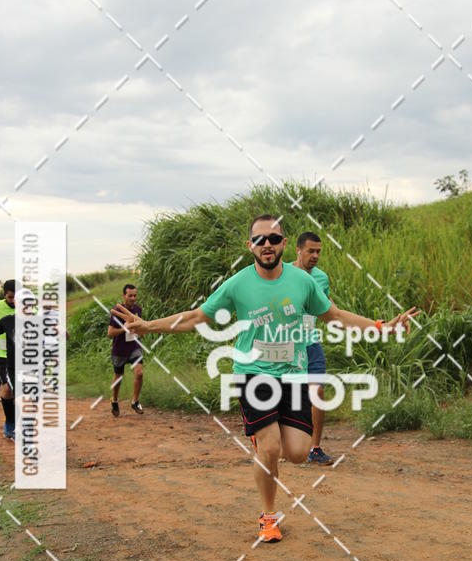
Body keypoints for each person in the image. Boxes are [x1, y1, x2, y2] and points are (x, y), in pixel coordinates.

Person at [112, 214, 418, 543]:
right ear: (250, 246)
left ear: (284, 243)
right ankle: (268, 516)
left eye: (273, 239)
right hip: (253, 375)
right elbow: (197, 317)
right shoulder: (237, 284)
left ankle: (265, 443)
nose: (266, 245)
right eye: (260, 240)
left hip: (293, 376)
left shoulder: (303, 283)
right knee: (270, 447)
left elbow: (336, 316)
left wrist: (382, 327)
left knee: (299, 453)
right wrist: (148, 325)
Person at [292, 231, 334, 464]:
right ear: (298, 250)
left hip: (311, 342)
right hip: (286, 345)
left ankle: (314, 449)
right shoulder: (283, 273)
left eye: (319, 251)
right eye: (311, 251)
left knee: (317, 391)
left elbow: (327, 308)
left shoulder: (321, 278)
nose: (315, 255)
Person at [108, 283, 144, 416]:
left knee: (139, 373)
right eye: (130, 295)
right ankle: (115, 400)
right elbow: (110, 333)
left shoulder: (138, 310)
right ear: (124, 296)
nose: (133, 298)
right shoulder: (117, 311)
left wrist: (141, 332)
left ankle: (135, 401)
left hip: (134, 347)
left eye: (135, 295)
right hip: (119, 350)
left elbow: (140, 328)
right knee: (118, 376)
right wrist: (124, 329)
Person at [0, 281, 16, 442]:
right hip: (1, 354)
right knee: (7, 388)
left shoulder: (29, 308)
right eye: (10, 297)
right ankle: (10, 424)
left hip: (22, 356)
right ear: (5, 295)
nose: (13, 301)